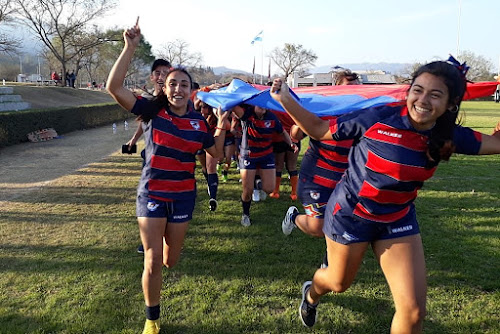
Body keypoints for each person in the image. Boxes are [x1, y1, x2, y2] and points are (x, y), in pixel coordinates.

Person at [270, 57, 500, 332]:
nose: (423, 100)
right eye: (418, 90)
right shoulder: (377, 118)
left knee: (414, 312)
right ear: (409, 91)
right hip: (350, 217)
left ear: (451, 104)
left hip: (397, 218)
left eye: (435, 94)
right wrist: (285, 98)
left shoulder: (449, 135)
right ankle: (311, 293)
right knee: (338, 283)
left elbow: (496, 143)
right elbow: (320, 130)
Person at [106, 19, 228, 334]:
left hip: (183, 196)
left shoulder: (199, 123)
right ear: (165, 87)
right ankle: (152, 320)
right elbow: (114, 88)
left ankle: (160, 249)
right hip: (152, 194)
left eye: (184, 84)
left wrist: (222, 123)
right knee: (152, 259)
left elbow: (218, 154)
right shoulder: (151, 111)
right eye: (172, 83)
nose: (177, 88)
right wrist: (130, 47)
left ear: (191, 91)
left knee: (170, 261)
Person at [281, 69, 361, 268]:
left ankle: (327, 264)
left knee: (339, 222)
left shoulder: (363, 113)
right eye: (349, 88)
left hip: (345, 179)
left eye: (358, 88)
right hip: (316, 176)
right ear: (336, 89)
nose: (355, 92)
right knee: (318, 227)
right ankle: (293, 216)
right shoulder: (323, 107)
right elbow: (295, 135)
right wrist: (304, 118)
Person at [126, 58, 172, 255]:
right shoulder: (147, 101)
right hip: (150, 157)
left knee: (168, 195)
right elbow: (143, 121)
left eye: (166, 73)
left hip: (171, 158)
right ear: (153, 76)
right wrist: (134, 139)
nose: (162, 77)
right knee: (148, 197)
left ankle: (166, 234)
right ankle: (148, 239)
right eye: (159, 73)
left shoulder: (173, 100)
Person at [231, 104, 297, 227]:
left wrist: (291, 144)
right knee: (247, 190)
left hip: (266, 156)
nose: (262, 108)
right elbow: (233, 106)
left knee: (269, 189)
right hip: (248, 156)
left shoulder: (271, 117)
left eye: (264, 106)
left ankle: (257, 182)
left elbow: (282, 132)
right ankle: (246, 214)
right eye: (259, 105)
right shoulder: (247, 114)